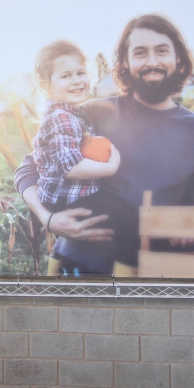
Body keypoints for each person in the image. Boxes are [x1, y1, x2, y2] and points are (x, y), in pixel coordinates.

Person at [15, 14, 194, 276]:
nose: (152, 62)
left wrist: (192, 228)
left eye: (161, 51)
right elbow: (30, 169)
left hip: (152, 278)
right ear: (125, 61)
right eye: (140, 53)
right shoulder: (92, 113)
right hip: (77, 268)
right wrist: (49, 219)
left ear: (178, 57)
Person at [29, 40, 137, 270]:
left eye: (80, 73)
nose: (77, 81)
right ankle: (126, 277)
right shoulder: (61, 117)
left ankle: (59, 259)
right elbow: (70, 167)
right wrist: (111, 166)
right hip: (64, 196)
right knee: (127, 216)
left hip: (64, 194)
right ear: (44, 84)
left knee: (112, 213)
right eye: (66, 76)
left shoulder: (70, 114)